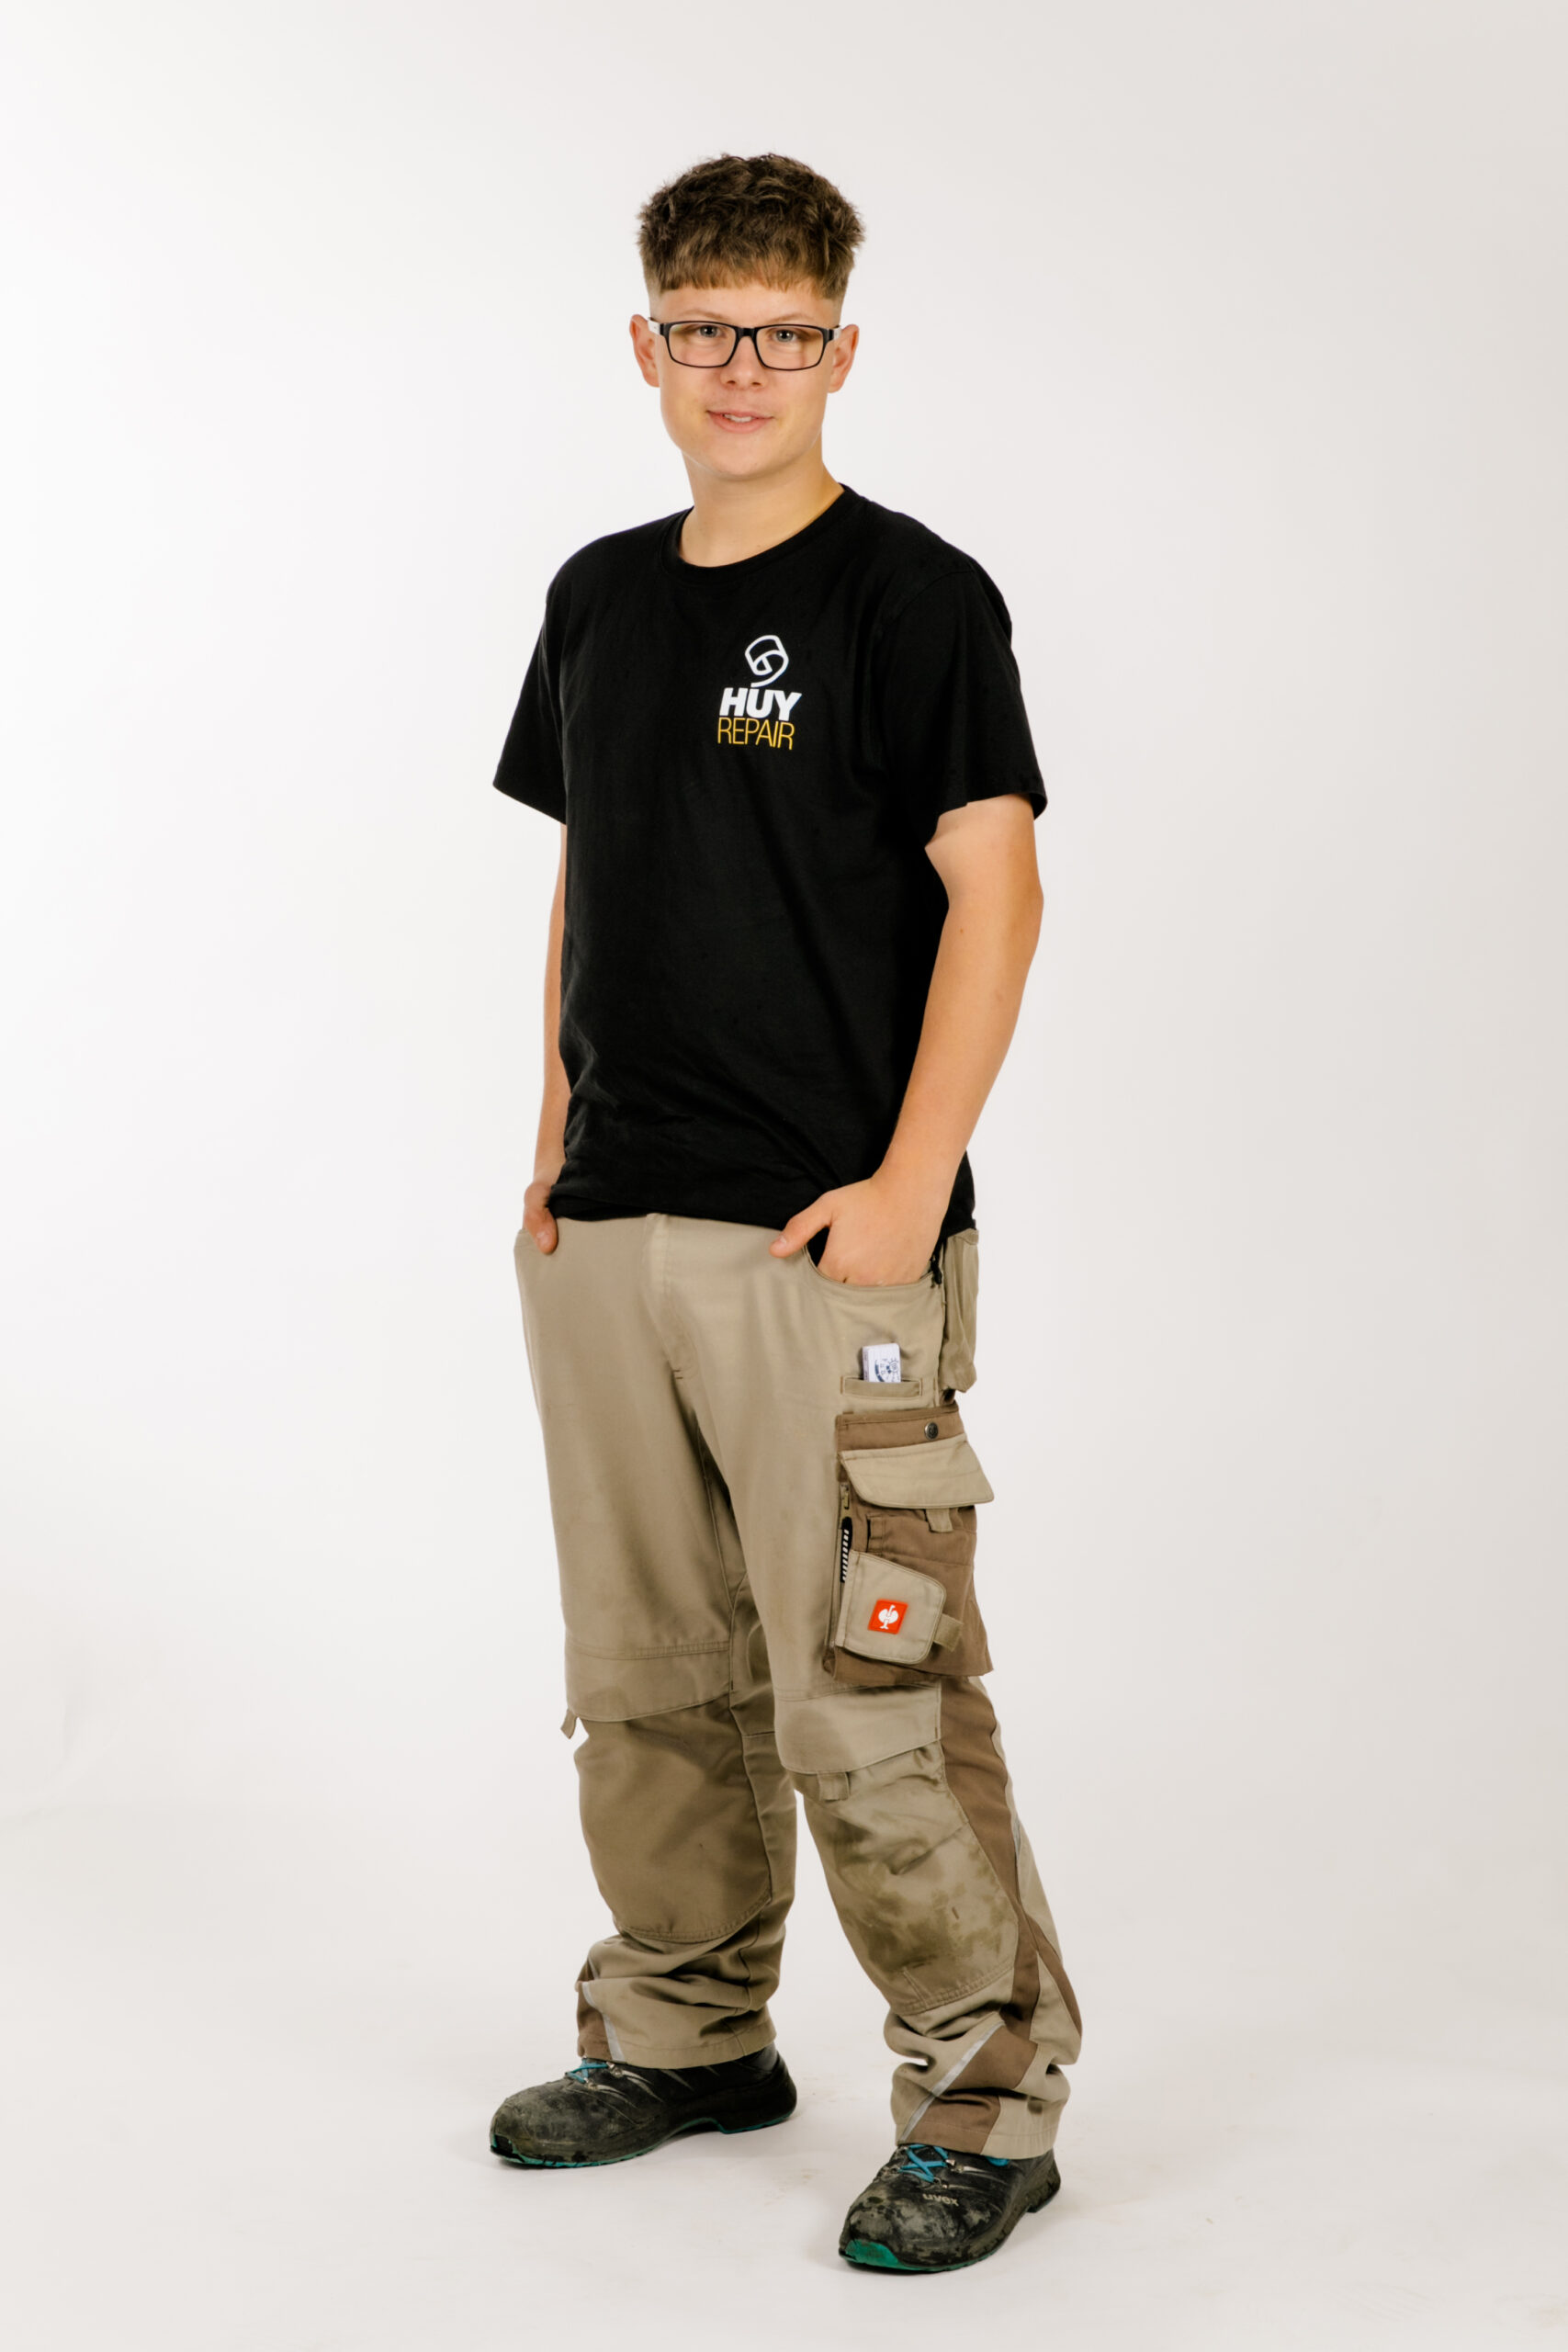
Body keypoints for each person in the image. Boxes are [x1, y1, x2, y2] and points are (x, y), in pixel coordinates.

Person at [486, 151, 1081, 2276]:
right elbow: (588, 872)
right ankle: (684, 2029)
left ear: (841, 349)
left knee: (868, 1689)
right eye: (704, 329)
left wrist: (909, 1188)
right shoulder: (595, 595)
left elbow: (994, 887)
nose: (741, 366)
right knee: (647, 1675)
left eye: (784, 331)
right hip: (612, 1228)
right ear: (645, 346)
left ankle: (983, 2095)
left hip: (826, 1242)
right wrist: (551, 1140)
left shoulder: (909, 598)